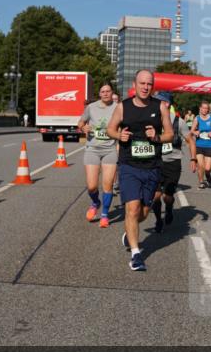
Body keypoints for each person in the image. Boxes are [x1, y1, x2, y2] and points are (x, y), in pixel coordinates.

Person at [107, 69, 174, 271]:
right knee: (132, 208)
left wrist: (157, 137)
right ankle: (136, 255)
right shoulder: (123, 107)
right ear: (134, 85)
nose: (145, 87)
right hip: (129, 165)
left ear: (152, 87)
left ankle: (130, 233)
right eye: (142, 83)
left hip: (152, 166)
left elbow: (170, 135)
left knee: (143, 213)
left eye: (149, 84)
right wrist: (119, 136)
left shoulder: (160, 106)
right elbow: (110, 129)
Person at [151, 91, 194, 233]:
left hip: (172, 162)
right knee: (155, 196)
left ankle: (169, 208)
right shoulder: (151, 118)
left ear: (167, 103)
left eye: (158, 101)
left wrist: (193, 158)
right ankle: (158, 219)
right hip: (155, 161)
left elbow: (190, 140)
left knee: (167, 197)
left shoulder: (179, 122)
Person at [79, 83, 119, 228]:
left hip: (110, 150)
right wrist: (83, 127)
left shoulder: (118, 108)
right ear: (100, 94)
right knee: (91, 186)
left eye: (108, 91)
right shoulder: (91, 107)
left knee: (107, 185)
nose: (105, 93)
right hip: (92, 149)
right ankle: (96, 202)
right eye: (103, 91)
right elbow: (80, 122)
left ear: (112, 93)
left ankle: (105, 215)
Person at [191, 102, 211, 188]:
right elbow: (192, 130)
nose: (204, 110)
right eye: (203, 108)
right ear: (200, 108)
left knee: (207, 168)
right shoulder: (197, 118)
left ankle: (208, 175)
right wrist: (196, 132)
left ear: (208, 109)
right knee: (201, 166)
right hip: (199, 144)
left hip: (209, 145)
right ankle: (201, 182)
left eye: (206, 108)